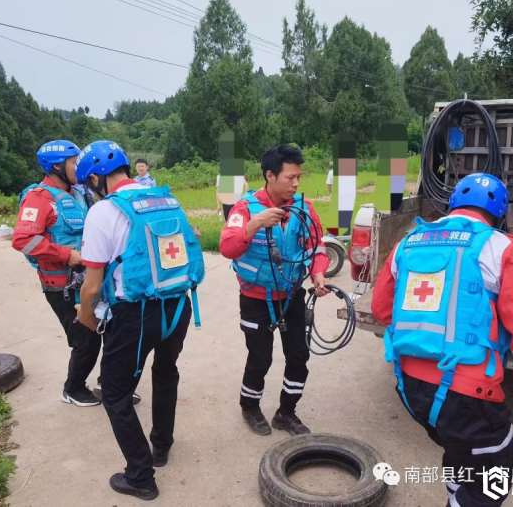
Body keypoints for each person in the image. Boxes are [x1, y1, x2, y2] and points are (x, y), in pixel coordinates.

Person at [371, 173, 513, 507]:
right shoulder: (504, 248)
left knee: (462, 451)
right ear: (498, 214)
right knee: (493, 464)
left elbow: (382, 311)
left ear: (453, 204)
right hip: (466, 392)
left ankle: (456, 497)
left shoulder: (408, 242)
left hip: (410, 386)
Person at [75, 140, 204, 501]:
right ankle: (161, 447)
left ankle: (141, 477)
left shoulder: (102, 212)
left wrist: (86, 315)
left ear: (97, 179)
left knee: (115, 393)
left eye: (89, 184)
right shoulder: (165, 199)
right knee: (165, 372)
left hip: (136, 314)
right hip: (178, 306)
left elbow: (93, 283)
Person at [220, 144, 330, 437]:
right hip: (256, 299)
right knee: (260, 358)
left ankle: (286, 413)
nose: (296, 183)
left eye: (298, 177)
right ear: (270, 175)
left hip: (291, 296)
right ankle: (250, 406)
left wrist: (318, 272)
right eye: (289, 177)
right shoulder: (244, 209)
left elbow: (317, 247)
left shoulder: (304, 209)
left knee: (298, 356)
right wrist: (256, 223)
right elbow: (227, 248)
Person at [12, 140, 101, 407]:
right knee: (85, 339)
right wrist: (66, 254)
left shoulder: (80, 193)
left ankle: (110, 384)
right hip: (61, 284)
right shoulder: (40, 198)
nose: (80, 167)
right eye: (75, 163)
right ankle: (73, 389)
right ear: (57, 167)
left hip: (88, 278)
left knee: (107, 331)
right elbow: (22, 240)